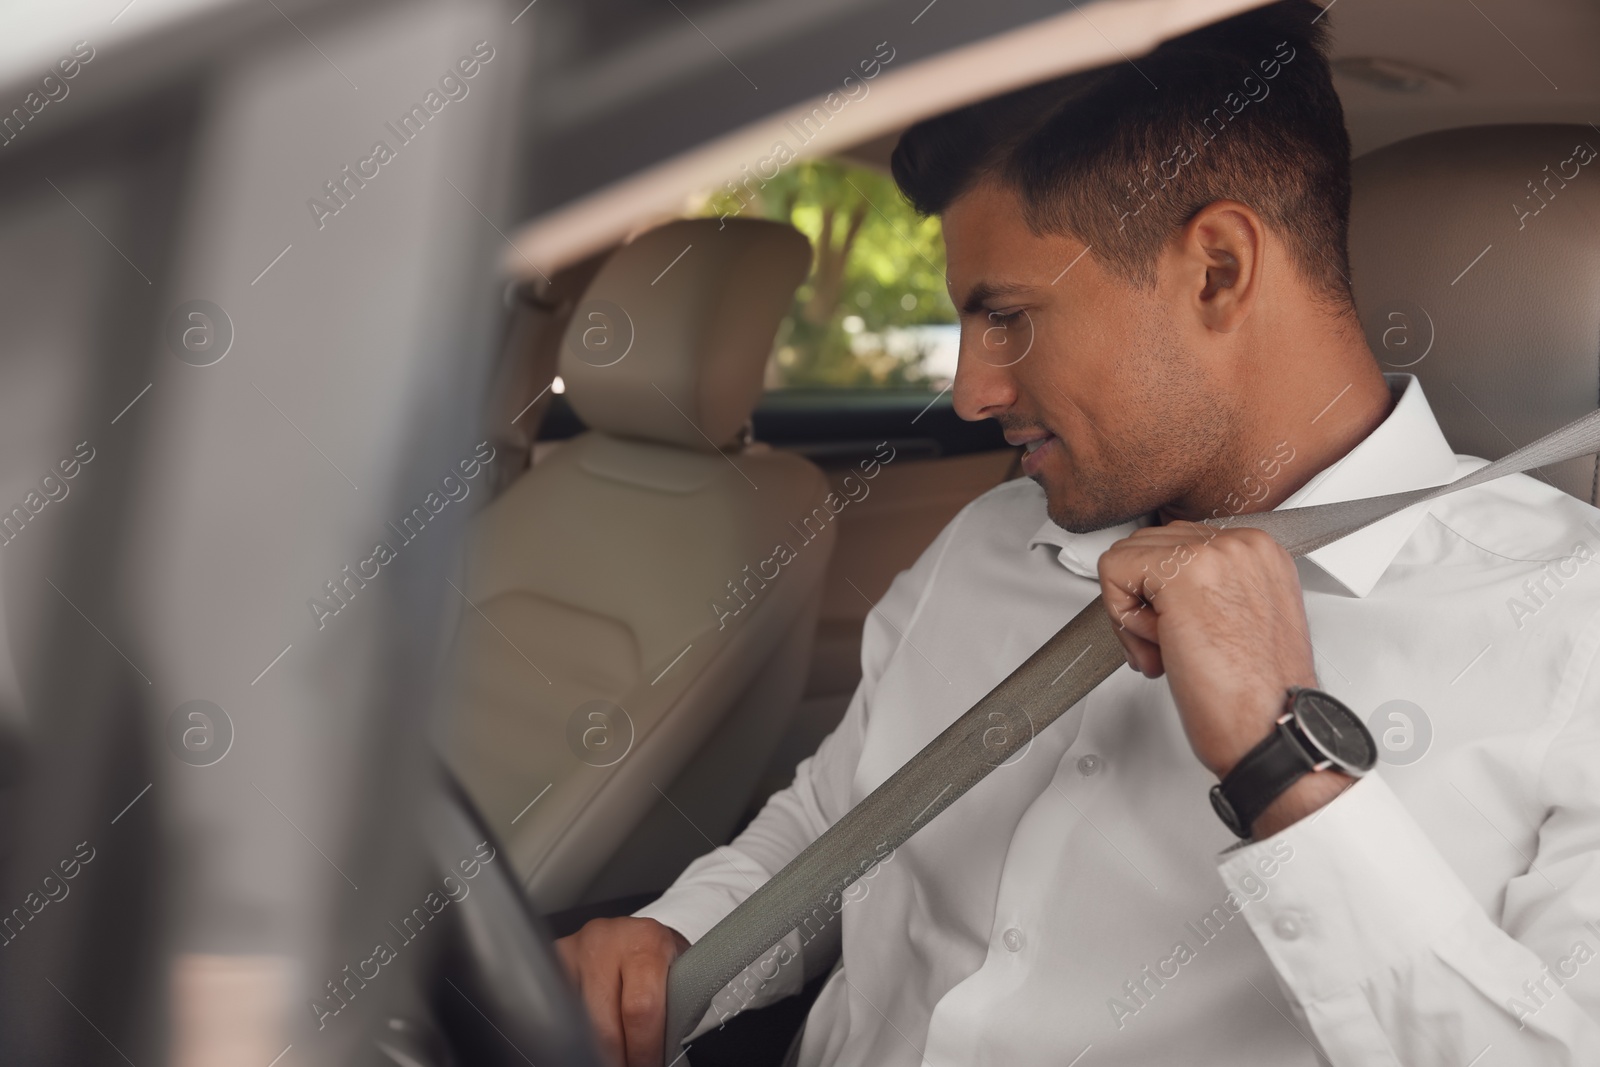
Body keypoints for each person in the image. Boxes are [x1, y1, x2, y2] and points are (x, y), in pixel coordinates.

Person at [556, 2, 1600, 1064]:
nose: (969, 392)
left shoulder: (1573, 629)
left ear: (1217, 271)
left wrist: (1286, 766)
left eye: (1006, 316)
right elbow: (835, 813)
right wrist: (675, 939)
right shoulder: (988, 536)